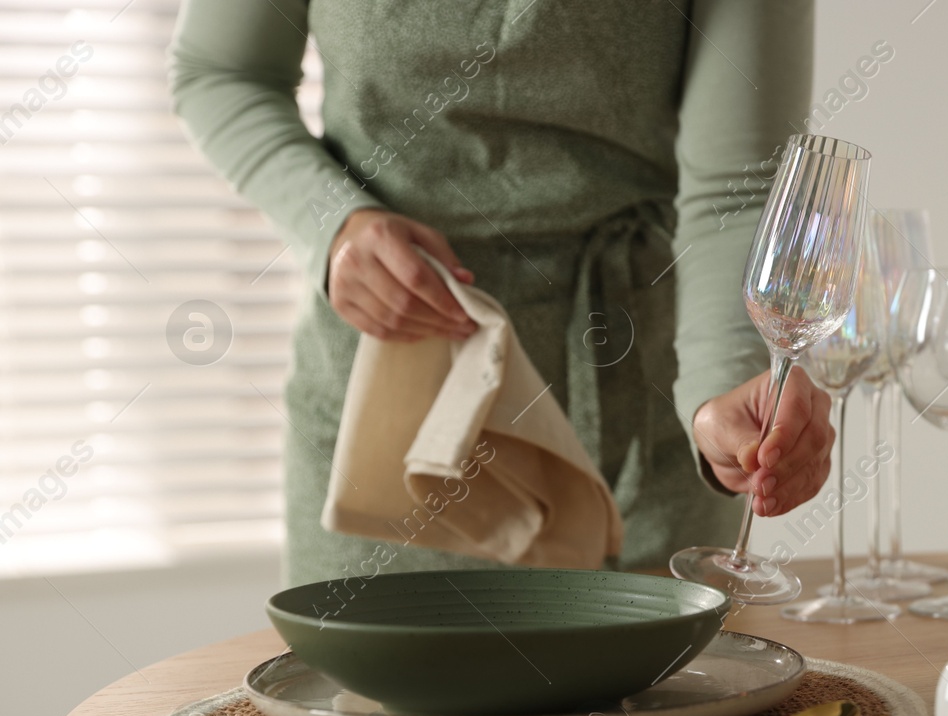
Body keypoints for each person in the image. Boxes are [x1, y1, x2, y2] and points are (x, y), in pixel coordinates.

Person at [169, 0, 834, 585]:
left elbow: (739, 188)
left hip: (641, 428)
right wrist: (333, 224)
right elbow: (222, 72)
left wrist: (723, 390)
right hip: (387, 424)